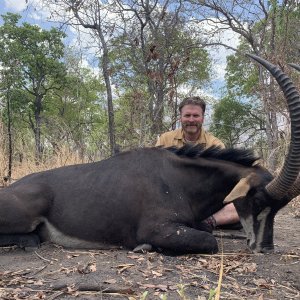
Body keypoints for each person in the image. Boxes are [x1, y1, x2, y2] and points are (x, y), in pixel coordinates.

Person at [155, 96, 240, 230]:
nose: (191, 120)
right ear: (180, 118)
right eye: (187, 115)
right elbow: (155, 173)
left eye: (196, 115)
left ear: (202, 118)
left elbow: (223, 183)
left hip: (203, 201)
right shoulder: (165, 139)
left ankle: (208, 222)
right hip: (170, 197)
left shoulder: (216, 145)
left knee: (243, 203)